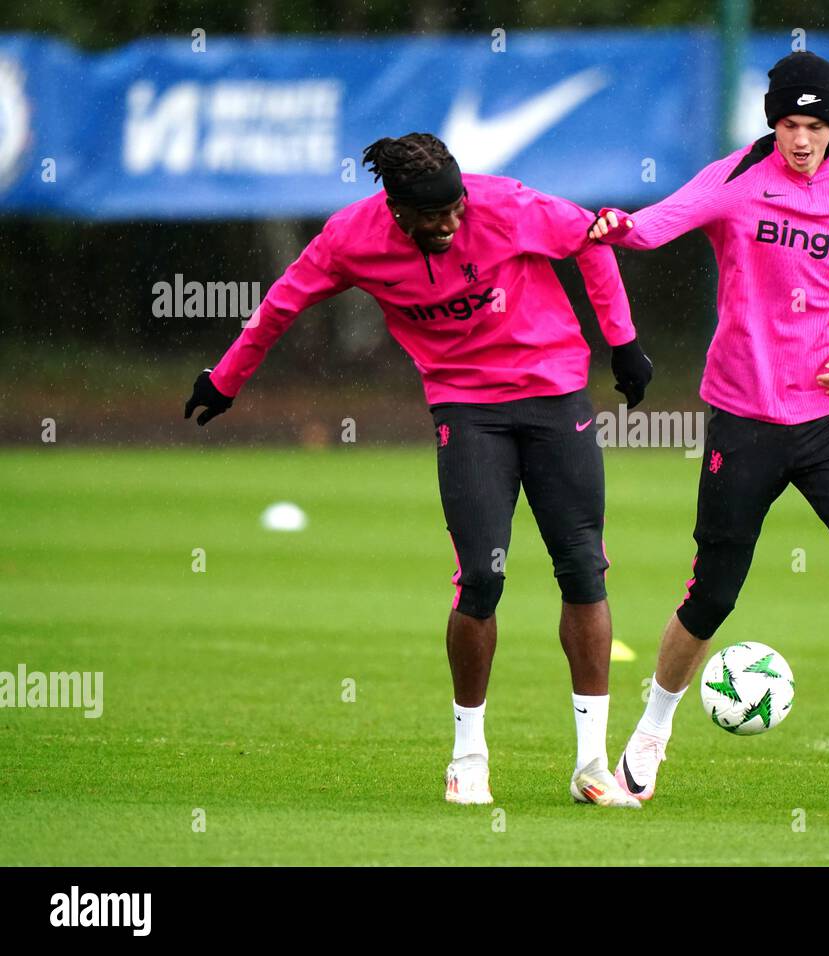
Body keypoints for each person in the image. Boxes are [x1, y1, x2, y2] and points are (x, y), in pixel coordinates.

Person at [185, 132, 653, 809]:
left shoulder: (506, 205)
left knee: (583, 568)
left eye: (455, 209)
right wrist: (226, 378)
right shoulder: (351, 239)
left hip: (553, 393)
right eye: (433, 216)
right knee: (483, 576)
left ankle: (591, 766)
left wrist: (624, 343)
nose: (450, 223)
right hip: (465, 408)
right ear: (396, 209)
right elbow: (281, 302)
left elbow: (591, 239)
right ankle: (468, 755)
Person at [590, 53, 829, 808]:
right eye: (789, 124)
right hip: (743, 418)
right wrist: (615, 227)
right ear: (771, 121)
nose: (801, 139)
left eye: (814, 125)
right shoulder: (737, 177)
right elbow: (654, 225)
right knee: (712, 595)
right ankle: (650, 734)